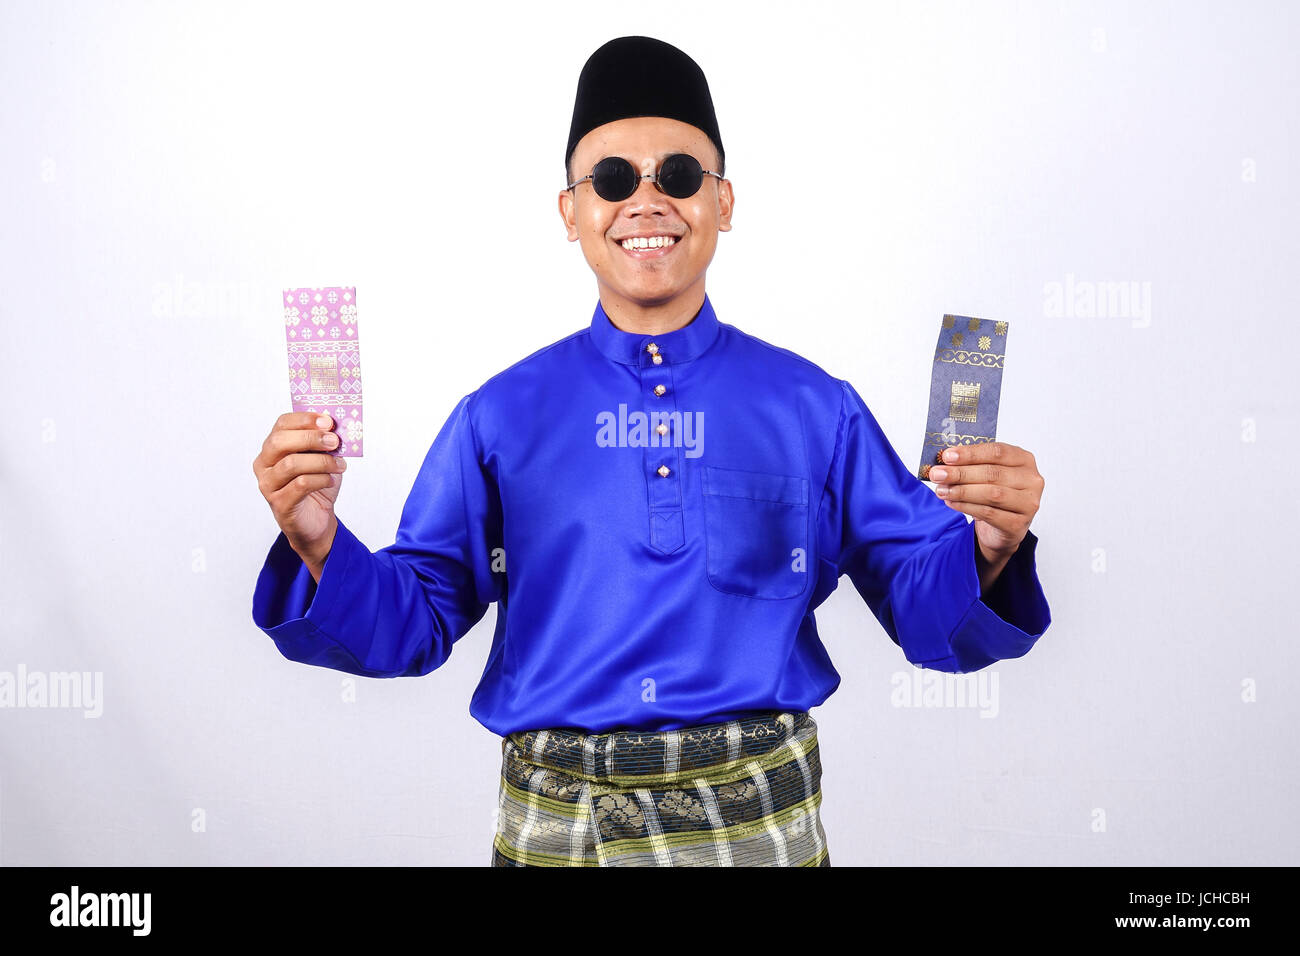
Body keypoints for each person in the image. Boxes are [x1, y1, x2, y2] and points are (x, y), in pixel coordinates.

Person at [250, 36, 1051, 867]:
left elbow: (927, 614)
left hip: (759, 831)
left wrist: (988, 549)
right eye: (611, 180)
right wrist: (319, 543)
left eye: (678, 175)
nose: (646, 201)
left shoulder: (816, 407)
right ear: (571, 212)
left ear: (724, 202)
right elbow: (409, 624)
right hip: (558, 835)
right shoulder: (498, 417)